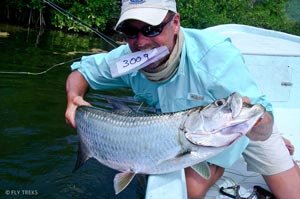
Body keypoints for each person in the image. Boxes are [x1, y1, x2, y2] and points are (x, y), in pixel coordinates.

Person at [65, 0, 300, 198]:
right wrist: (74, 98)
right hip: (186, 134)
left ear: (175, 23)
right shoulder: (128, 59)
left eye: (151, 29)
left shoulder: (216, 58)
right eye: (130, 32)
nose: (141, 42)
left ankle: (279, 150)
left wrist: (261, 129)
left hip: (235, 125)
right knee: (190, 190)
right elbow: (81, 73)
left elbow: (260, 117)